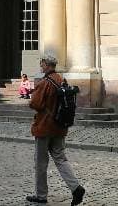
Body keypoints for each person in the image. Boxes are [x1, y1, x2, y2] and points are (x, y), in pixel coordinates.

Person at [26, 54, 85, 205]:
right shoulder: (61, 80)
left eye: (42, 64)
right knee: (61, 159)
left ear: (46, 64)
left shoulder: (45, 82)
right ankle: (76, 187)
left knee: (41, 162)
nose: (41, 66)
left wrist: (32, 98)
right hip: (59, 126)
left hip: (44, 127)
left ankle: (41, 195)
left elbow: (36, 104)